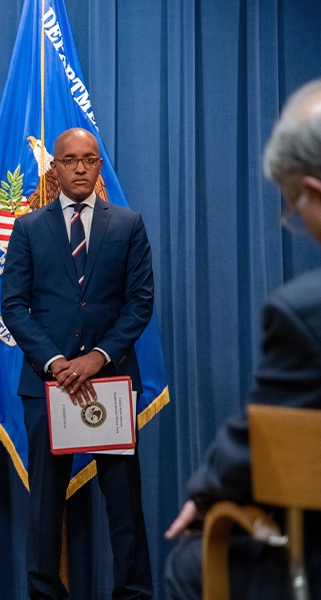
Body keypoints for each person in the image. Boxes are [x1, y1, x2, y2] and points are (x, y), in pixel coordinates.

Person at [164, 79, 321, 600]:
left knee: (191, 564)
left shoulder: (304, 310)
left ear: (314, 192)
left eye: (293, 209)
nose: (296, 220)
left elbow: (265, 437)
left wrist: (207, 494)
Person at [1, 128, 155, 599]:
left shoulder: (128, 225)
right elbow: (14, 305)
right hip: (49, 386)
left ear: (99, 167)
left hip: (109, 381)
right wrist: (55, 362)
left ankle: (133, 593)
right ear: (55, 168)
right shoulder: (28, 228)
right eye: (70, 160)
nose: (81, 168)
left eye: (90, 159)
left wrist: (96, 357)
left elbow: (140, 302)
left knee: (125, 506)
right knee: (46, 505)